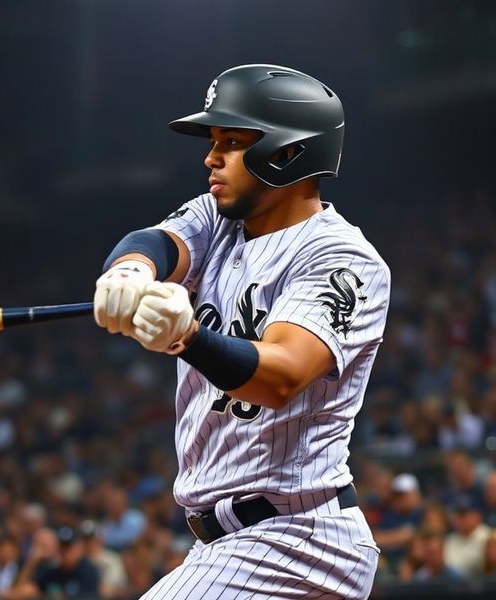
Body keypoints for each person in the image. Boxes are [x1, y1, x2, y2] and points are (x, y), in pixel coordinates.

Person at [93, 64, 390, 599]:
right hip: (228, 544)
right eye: (213, 141)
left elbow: (282, 375)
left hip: (296, 540)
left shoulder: (343, 257)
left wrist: (189, 338)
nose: (211, 157)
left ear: (287, 152)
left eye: (231, 142)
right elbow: (157, 241)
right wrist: (130, 269)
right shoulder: (219, 218)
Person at [444, 495, 492, 577]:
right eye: (458, 514)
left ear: (477, 516)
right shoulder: (450, 539)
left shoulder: (488, 536)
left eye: (463, 515)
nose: (459, 518)